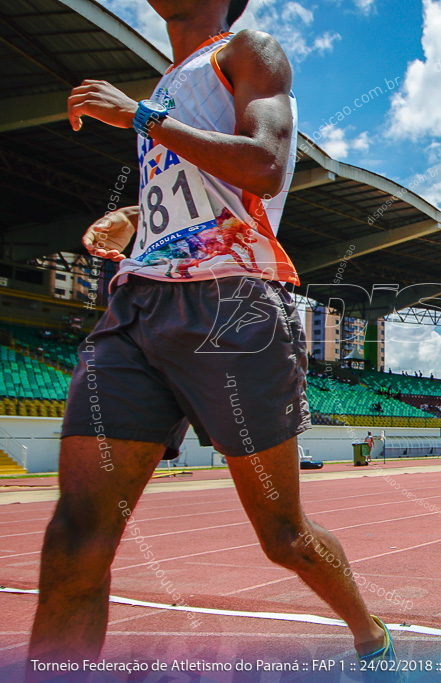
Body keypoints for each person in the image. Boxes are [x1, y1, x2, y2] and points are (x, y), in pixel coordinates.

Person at [29, 0, 397, 673]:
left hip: (233, 310)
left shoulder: (247, 52)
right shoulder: (167, 87)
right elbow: (204, 195)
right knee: (76, 536)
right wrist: (140, 219)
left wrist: (141, 117)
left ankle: (368, 630)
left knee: (283, 536)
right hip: (137, 312)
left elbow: (263, 166)